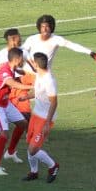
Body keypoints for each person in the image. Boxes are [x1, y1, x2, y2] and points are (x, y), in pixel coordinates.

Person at [0, 28, 33, 157]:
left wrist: (34, 75)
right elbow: (6, 74)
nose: (20, 39)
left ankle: (11, 151)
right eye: (17, 37)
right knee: (2, 122)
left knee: (22, 120)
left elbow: (30, 66)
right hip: (6, 88)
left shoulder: (23, 52)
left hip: (19, 85)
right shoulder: (2, 54)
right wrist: (28, 84)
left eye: (20, 37)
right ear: (10, 40)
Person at [20, 52, 61, 183]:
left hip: (45, 118)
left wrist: (48, 123)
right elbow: (37, 92)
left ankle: (53, 166)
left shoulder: (49, 81)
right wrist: (26, 97)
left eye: (33, 62)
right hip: (36, 114)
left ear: (36, 64)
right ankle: (34, 172)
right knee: (30, 145)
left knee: (33, 149)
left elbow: (54, 102)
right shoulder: (39, 75)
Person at [20, 14, 96, 71]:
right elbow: (22, 51)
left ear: (51, 27)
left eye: (47, 26)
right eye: (42, 27)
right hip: (28, 74)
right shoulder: (32, 39)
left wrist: (89, 52)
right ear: (39, 28)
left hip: (44, 74)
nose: (45, 29)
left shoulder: (56, 39)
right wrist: (31, 63)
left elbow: (72, 45)